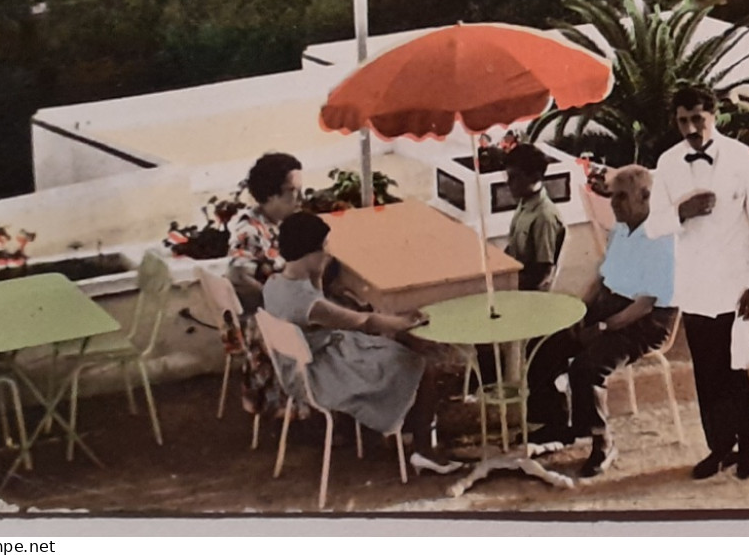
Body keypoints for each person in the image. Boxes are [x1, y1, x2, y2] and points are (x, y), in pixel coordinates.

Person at [262, 212, 463, 475]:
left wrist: (318, 273)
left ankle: (404, 426)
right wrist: (404, 321)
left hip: (298, 365)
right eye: (323, 248)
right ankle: (423, 449)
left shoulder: (275, 283)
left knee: (396, 347)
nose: (327, 253)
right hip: (319, 375)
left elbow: (319, 301)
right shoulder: (308, 304)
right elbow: (363, 321)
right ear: (310, 253)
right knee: (420, 363)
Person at [648, 85, 749, 480]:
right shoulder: (667, 163)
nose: (691, 129)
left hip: (736, 285)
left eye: (697, 119)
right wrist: (680, 212)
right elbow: (653, 226)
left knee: (734, 367)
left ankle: (748, 440)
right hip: (695, 286)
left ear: (713, 116)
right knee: (706, 370)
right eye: (683, 120)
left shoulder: (743, 161)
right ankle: (720, 447)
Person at [526, 164, 676, 478]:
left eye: (622, 197)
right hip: (609, 304)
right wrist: (579, 313)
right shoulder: (621, 228)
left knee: (587, 366)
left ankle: (602, 442)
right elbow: (601, 276)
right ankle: (557, 424)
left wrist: (603, 328)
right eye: (612, 197)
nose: (614, 204)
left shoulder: (663, 240)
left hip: (644, 321)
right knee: (543, 345)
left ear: (645, 196)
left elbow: (645, 305)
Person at [227, 152, 303, 311]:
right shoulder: (249, 229)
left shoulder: (276, 222)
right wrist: (282, 304)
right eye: (293, 190)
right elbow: (239, 278)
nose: (300, 197)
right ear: (270, 194)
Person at [502, 143, 565, 291]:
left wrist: (507, 286)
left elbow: (542, 272)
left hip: (527, 292)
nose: (508, 183)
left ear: (535, 177)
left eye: (514, 177)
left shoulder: (544, 216)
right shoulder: (524, 203)